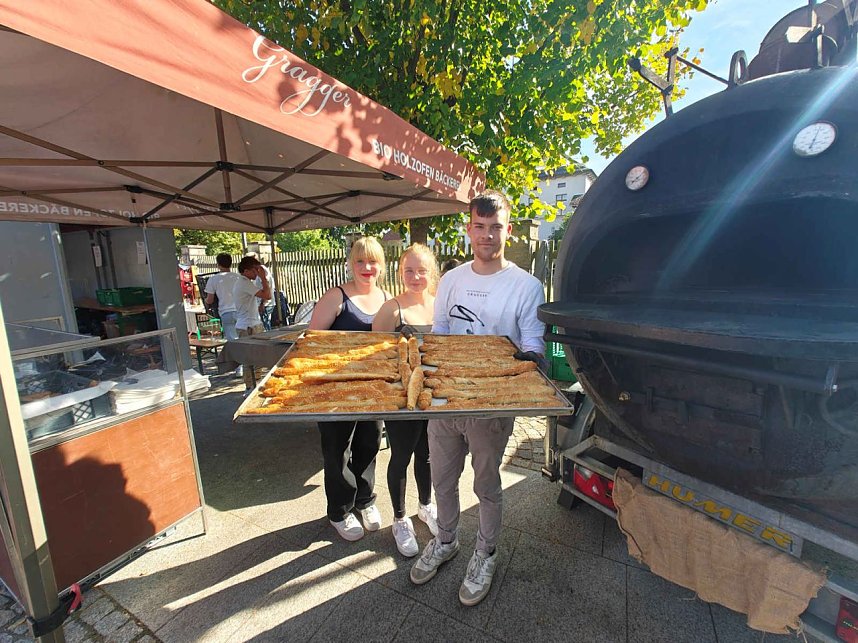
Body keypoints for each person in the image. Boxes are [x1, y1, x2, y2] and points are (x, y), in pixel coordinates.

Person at [409, 190, 546, 607]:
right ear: (469, 229)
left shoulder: (526, 285)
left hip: (491, 405)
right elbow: (441, 336)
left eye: (496, 227)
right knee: (442, 479)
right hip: (445, 403)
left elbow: (533, 343)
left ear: (507, 228)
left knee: (486, 483)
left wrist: (533, 359)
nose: (487, 235)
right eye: (479, 227)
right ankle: (446, 539)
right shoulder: (451, 280)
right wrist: (416, 345)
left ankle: (485, 552)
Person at [309, 237, 391, 542]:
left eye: (373, 262)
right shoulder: (336, 297)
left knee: (369, 445)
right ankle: (339, 511)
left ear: (382, 266)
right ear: (350, 263)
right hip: (335, 389)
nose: (367, 268)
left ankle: (365, 500)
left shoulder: (387, 298)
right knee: (337, 449)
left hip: (373, 389)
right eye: (360, 261)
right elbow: (311, 341)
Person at [372, 244, 439, 557]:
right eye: (409, 270)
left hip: (432, 395)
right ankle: (400, 519)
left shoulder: (440, 305)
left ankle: (425, 506)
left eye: (421, 270)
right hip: (400, 399)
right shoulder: (391, 308)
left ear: (431, 273)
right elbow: (375, 355)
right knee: (401, 455)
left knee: (427, 455)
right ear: (400, 272)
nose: (415, 276)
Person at [233, 256, 272, 393]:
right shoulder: (244, 283)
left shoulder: (244, 282)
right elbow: (267, 295)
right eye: (254, 270)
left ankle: (253, 384)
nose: (257, 273)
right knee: (251, 359)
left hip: (249, 323)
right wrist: (263, 278)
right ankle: (250, 387)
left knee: (256, 358)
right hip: (249, 326)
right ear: (245, 270)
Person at [204, 253, 242, 376]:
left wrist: (206, 302)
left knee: (232, 341)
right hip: (241, 311)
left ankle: (239, 367)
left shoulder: (213, 279)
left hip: (225, 311)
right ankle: (247, 364)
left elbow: (209, 300)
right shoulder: (238, 277)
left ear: (218, 264)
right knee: (243, 339)